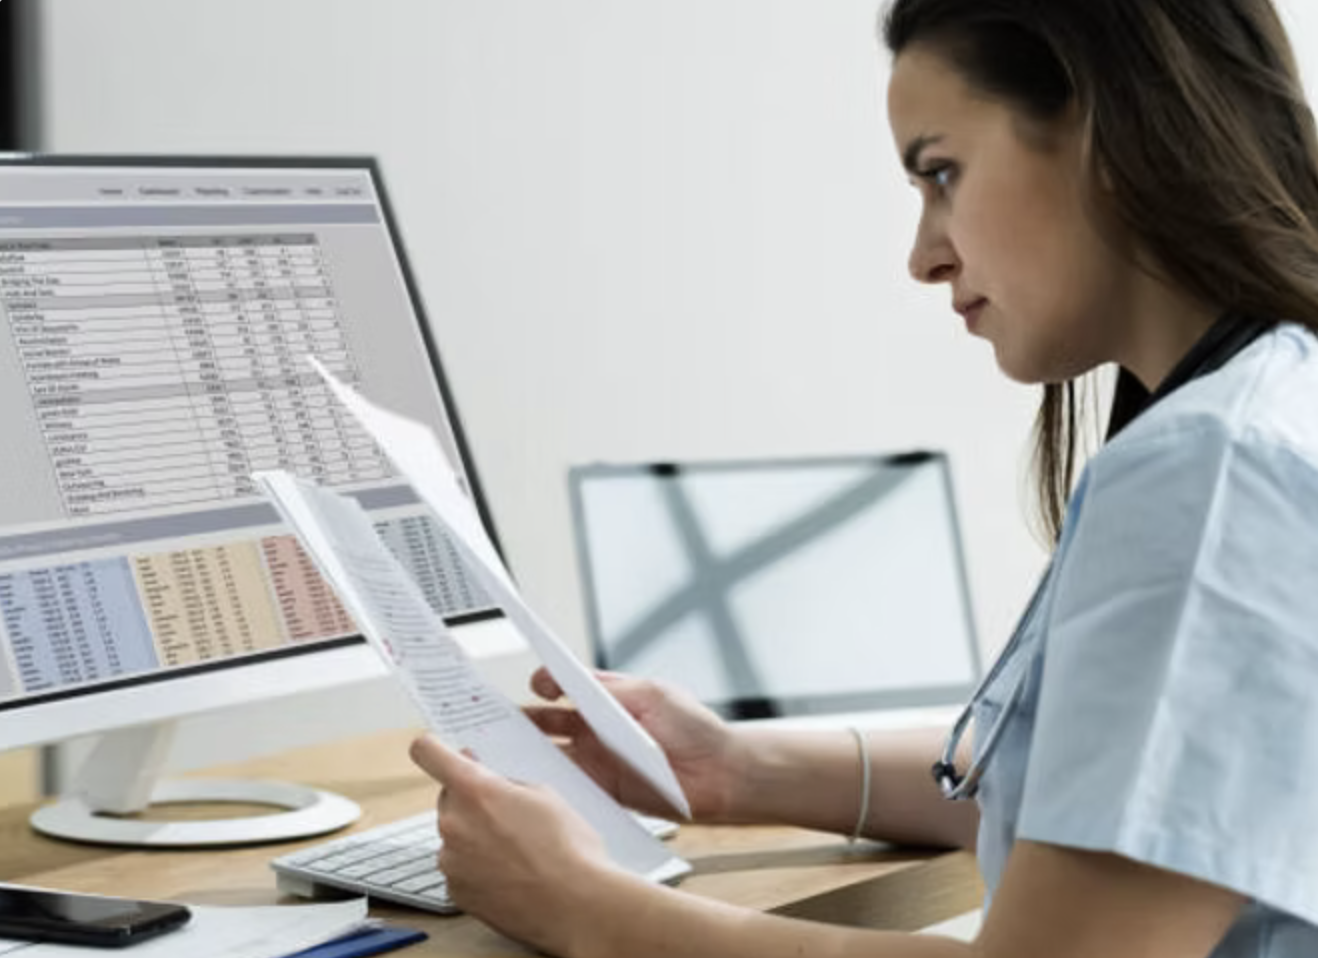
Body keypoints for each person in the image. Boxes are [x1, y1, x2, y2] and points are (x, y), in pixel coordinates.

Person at [410, 0, 1318, 954]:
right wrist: (730, 768)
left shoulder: (1216, 472)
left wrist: (587, 908)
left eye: (942, 173)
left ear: (1108, 130)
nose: (924, 255)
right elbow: (1119, 814)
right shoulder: (1267, 409)